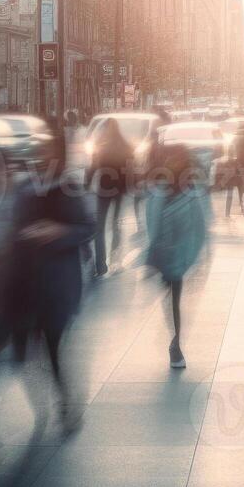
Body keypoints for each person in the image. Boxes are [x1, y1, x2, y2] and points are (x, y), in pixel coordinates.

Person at [14, 137, 95, 431]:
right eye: (38, 153)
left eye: (48, 153)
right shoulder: (24, 188)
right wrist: (24, 234)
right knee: (23, 351)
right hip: (24, 281)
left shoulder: (69, 188)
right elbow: (13, 226)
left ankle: (64, 401)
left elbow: (87, 228)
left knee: (53, 345)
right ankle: (47, 402)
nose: (42, 158)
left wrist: (58, 232)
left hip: (58, 281)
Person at [145, 143, 210, 369]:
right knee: (172, 297)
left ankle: (176, 344)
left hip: (176, 256)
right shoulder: (163, 192)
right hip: (168, 255)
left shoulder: (189, 194)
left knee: (172, 297)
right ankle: (175, 342)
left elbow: (200, 228)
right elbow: (152, 225)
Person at [86, 119, 134, 278]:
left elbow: (92, 168)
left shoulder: (102, 147)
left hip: (104, 190)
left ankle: (100, 265)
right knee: (116, 225)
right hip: (119, 191)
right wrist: (129, 187)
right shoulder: (127, 147)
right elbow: (131, 170)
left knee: (99, 228)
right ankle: (115, 261)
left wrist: (86, 184)